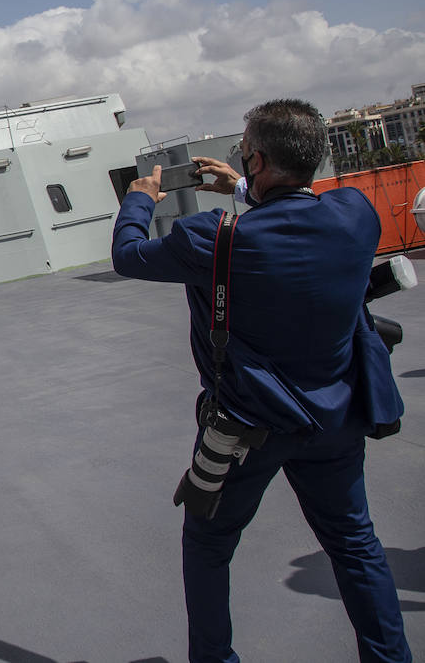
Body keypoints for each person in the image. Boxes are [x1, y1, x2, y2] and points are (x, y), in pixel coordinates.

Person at [112, 100, 410, 663]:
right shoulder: (356, 214)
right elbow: (299, 220)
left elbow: (128, 255)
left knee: (208, 545)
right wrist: (244, 189)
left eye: (244, 151)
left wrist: (139, 198)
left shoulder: (212, 239)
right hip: (336, 416)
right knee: (354, 545)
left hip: (247, 428)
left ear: (258, 158)